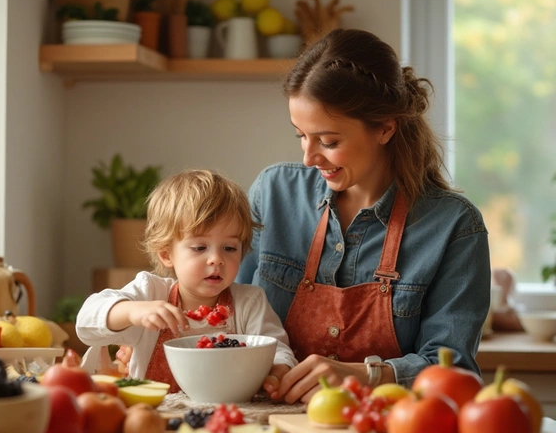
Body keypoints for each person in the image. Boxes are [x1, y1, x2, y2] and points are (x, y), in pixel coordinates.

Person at [236, 28, 491, 404]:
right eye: (300, 137)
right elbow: (227, 316)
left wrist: (364, 375)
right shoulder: (274, 194)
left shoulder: (454, 227)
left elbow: (453, 371)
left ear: (386, 127)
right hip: (269, 426)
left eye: (329, 142)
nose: (309, 158)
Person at [76, 169, 297, 393]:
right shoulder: (150, 293)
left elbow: (278, 350)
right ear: (166, 254)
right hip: (155, 416)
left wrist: (278, 370)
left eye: (229, 248)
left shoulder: (249, 302)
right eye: (200, 247)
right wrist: (133, 311)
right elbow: (86, 325)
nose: (217, 259)